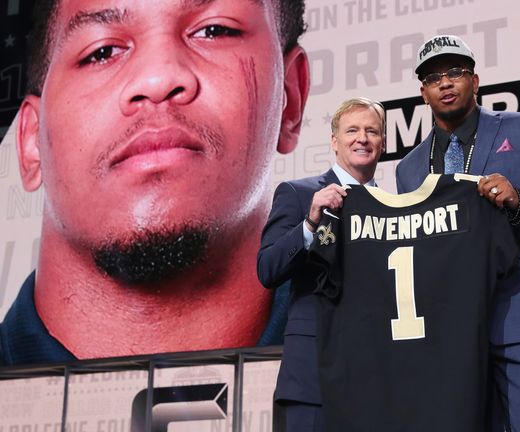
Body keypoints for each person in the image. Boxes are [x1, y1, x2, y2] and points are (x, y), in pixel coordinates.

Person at [0, 0, 310, 365]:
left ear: (291, 97)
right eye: (102, 52)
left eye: (214, 30)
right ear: (31, 140)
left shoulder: (388, 387)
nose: (158, 79)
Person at [395, 35, 520, 431]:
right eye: (434, 78)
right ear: (423, 93)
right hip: (451, 335)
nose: (446, 83)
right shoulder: (409, 169)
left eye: (455, 72)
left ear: (475, 80)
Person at [257, 97, 386, 432]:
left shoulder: (394, 207)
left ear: (383, 143)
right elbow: (267, 269)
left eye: (372, 131)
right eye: (352, 130)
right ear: (334, 141)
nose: (362, 138)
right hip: (311, 379)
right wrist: (310, 223)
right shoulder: (298, 194)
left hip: (376, 382)